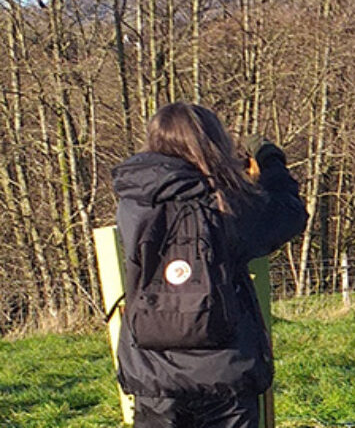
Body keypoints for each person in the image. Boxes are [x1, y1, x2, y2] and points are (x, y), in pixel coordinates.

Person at [111, 103, 308, 427]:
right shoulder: (226, 202)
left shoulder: (134, 201)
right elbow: (287, 214)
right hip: (224, 369)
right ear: (211, 142)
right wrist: (270, 161)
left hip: (153, 371)